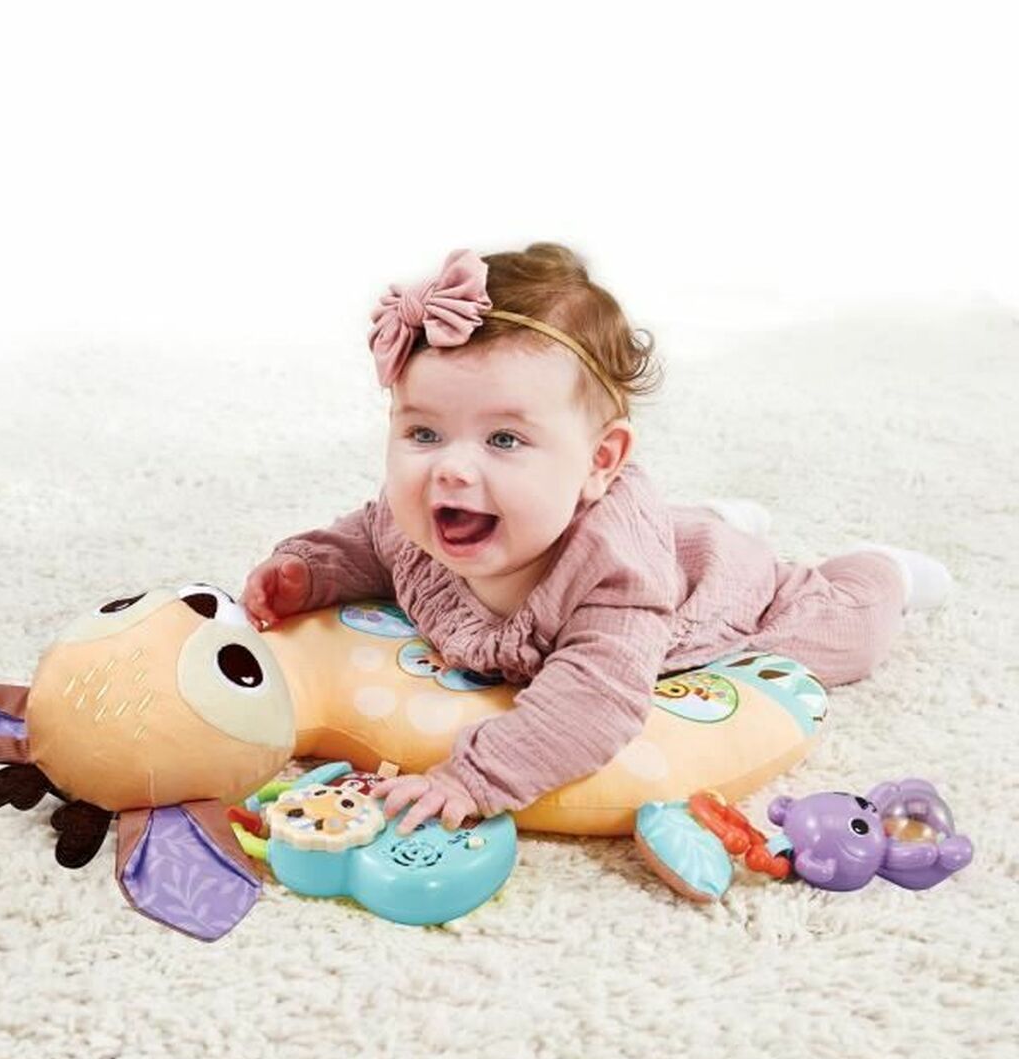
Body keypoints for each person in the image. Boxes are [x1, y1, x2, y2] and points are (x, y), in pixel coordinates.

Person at [240, 244, 952, 836]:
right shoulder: (418, 513)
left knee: (844, 636)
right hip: (650, 529)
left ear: (600, 462)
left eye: (504, 440)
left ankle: (878, 569)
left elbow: (596, 701)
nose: (451, 468)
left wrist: (472, 777)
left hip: (713, 584)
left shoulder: (614, 576)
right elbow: (368, 540)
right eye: (423, 433)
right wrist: (309, 571)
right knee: (674, 527)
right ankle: (705, 516)